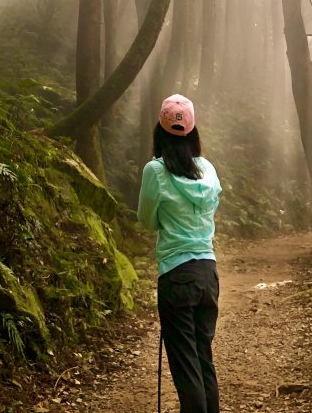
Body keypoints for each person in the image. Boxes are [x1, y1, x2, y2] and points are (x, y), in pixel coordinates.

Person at [137, 94, 222, 413]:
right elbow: (211, 208)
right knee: (203, 359)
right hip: (208, 274)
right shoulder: (208, 170)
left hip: (176, 275)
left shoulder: (154, 171)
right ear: (193, 131)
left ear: (159, 131)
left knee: (186, 368)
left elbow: (146, 220)